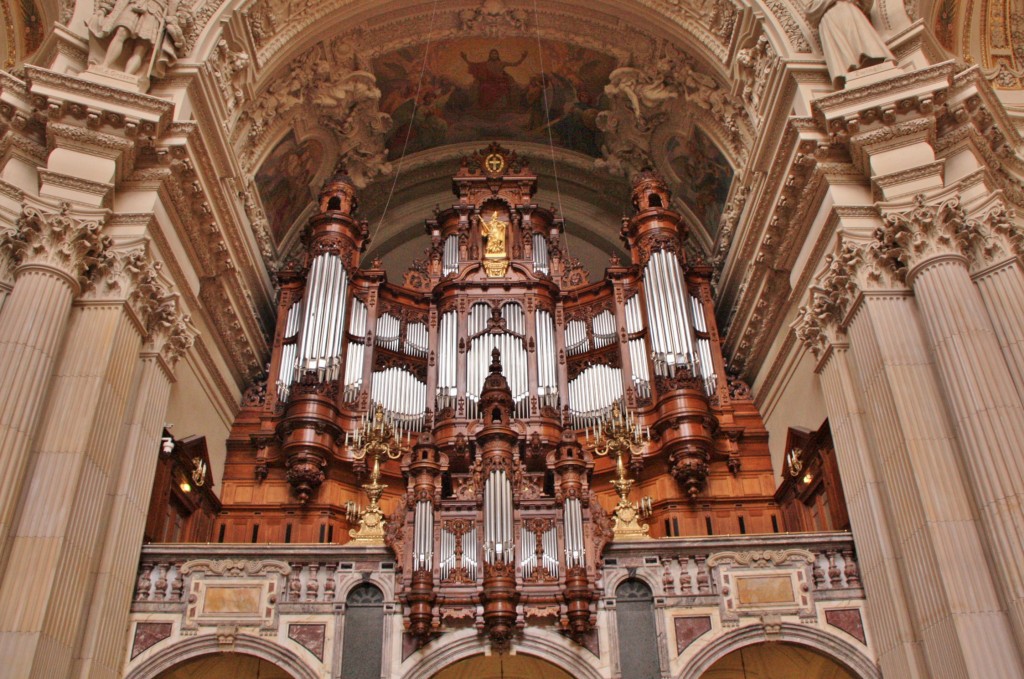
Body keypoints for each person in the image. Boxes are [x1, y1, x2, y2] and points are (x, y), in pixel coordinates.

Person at [806, 0, 894, 88]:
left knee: (860, 39)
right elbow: (810, 12)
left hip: (850, 11)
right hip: (830, 18)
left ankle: (867, 58)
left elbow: (866, 4)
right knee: (843, 48)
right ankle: (852, 67)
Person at [89, 0, 183, 76]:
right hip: (134, 4)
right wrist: (104, 9)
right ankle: (105, 65)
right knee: (121, 32)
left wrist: (172, 20)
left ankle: (126, 75)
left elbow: (173, 4)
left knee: (141, 47)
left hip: (155, 10)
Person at [460, 48, 528, 110]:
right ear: (490, 55)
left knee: (504, 86)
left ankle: (504, 106)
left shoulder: (502, 63)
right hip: (489, 81)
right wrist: (465, 59)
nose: (494, 55)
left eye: (495, 54)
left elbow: (515, 64)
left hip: (500, 81)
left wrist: (523, 58)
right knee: (484, 87)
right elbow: (474, 65)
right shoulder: (486, 63)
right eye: (492, 54)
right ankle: (485, 107)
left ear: (497, 55)